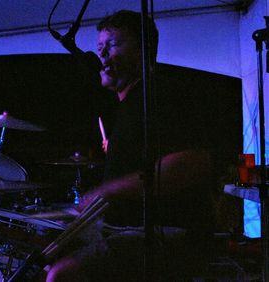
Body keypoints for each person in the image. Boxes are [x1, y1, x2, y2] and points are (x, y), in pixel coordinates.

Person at [45, 10, 217, 281]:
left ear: (143, 50)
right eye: (99, 47)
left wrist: (107, 189)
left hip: (169, 235)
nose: (101, 55)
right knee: (45, 254)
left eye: (112, 45)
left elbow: (192, 164)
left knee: (62, 274)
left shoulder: (159, 96)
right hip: (128, 230)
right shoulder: (129, 106)